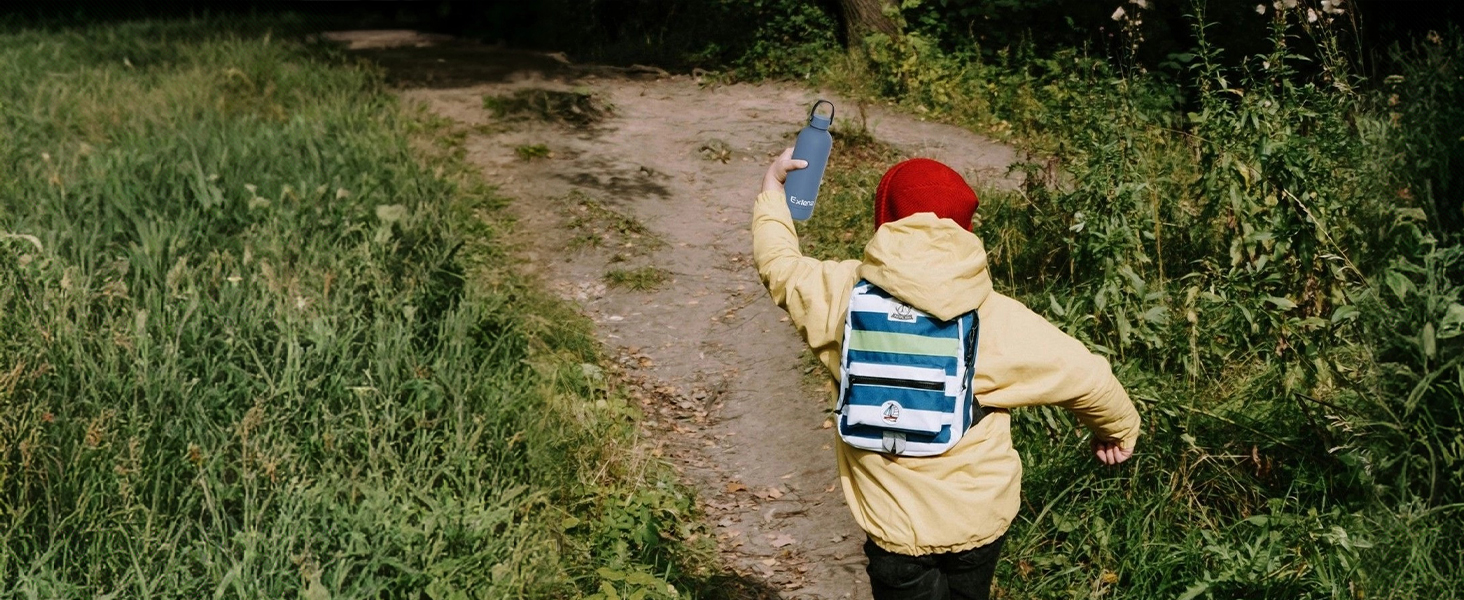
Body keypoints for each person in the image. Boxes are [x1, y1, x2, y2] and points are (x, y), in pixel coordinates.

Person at [751, 149, 1142, 600]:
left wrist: (773, 188)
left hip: (895, 528)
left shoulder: (841, 294)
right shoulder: (993, 315)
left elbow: (778, 264)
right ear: (964, 227)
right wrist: (1118, 431)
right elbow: (1088, 378)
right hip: (978, 521)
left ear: (886, 219)